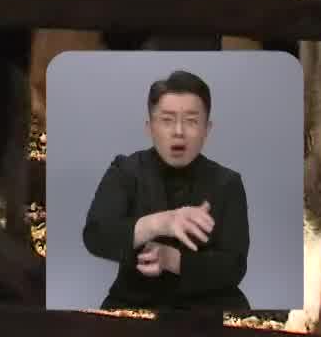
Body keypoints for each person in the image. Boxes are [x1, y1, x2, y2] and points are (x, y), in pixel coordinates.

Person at [80, 69, 251, 316]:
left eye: (191, 121)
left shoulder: (227, 183)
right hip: (133, 303)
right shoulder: (126, 171)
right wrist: (161, 223)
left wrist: (173, 260)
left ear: (207, 129)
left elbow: (234, 266)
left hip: (210, 309)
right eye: (167, 120)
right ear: (150, 127)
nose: (178, 131)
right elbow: (96, 236)